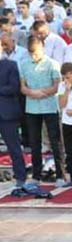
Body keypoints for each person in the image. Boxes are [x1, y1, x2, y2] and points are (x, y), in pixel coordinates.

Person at [20, 36, 65, 186]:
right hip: (32, 108)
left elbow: (57, 85)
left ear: (43, 49)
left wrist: (42, 92)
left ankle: (60, 174)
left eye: (37, 53)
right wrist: (31, 93)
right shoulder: (24, 64)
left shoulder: (52, 64)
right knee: (34, 141)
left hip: (50, 106)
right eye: (32, 54)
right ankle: (36, 175)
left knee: (55, 140)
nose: (35, 56)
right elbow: (22, 86)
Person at [0, 54, 26, 187]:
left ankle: (21, 177)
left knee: (14, 147)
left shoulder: (11, 65)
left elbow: (14, 87)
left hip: (6, 113)